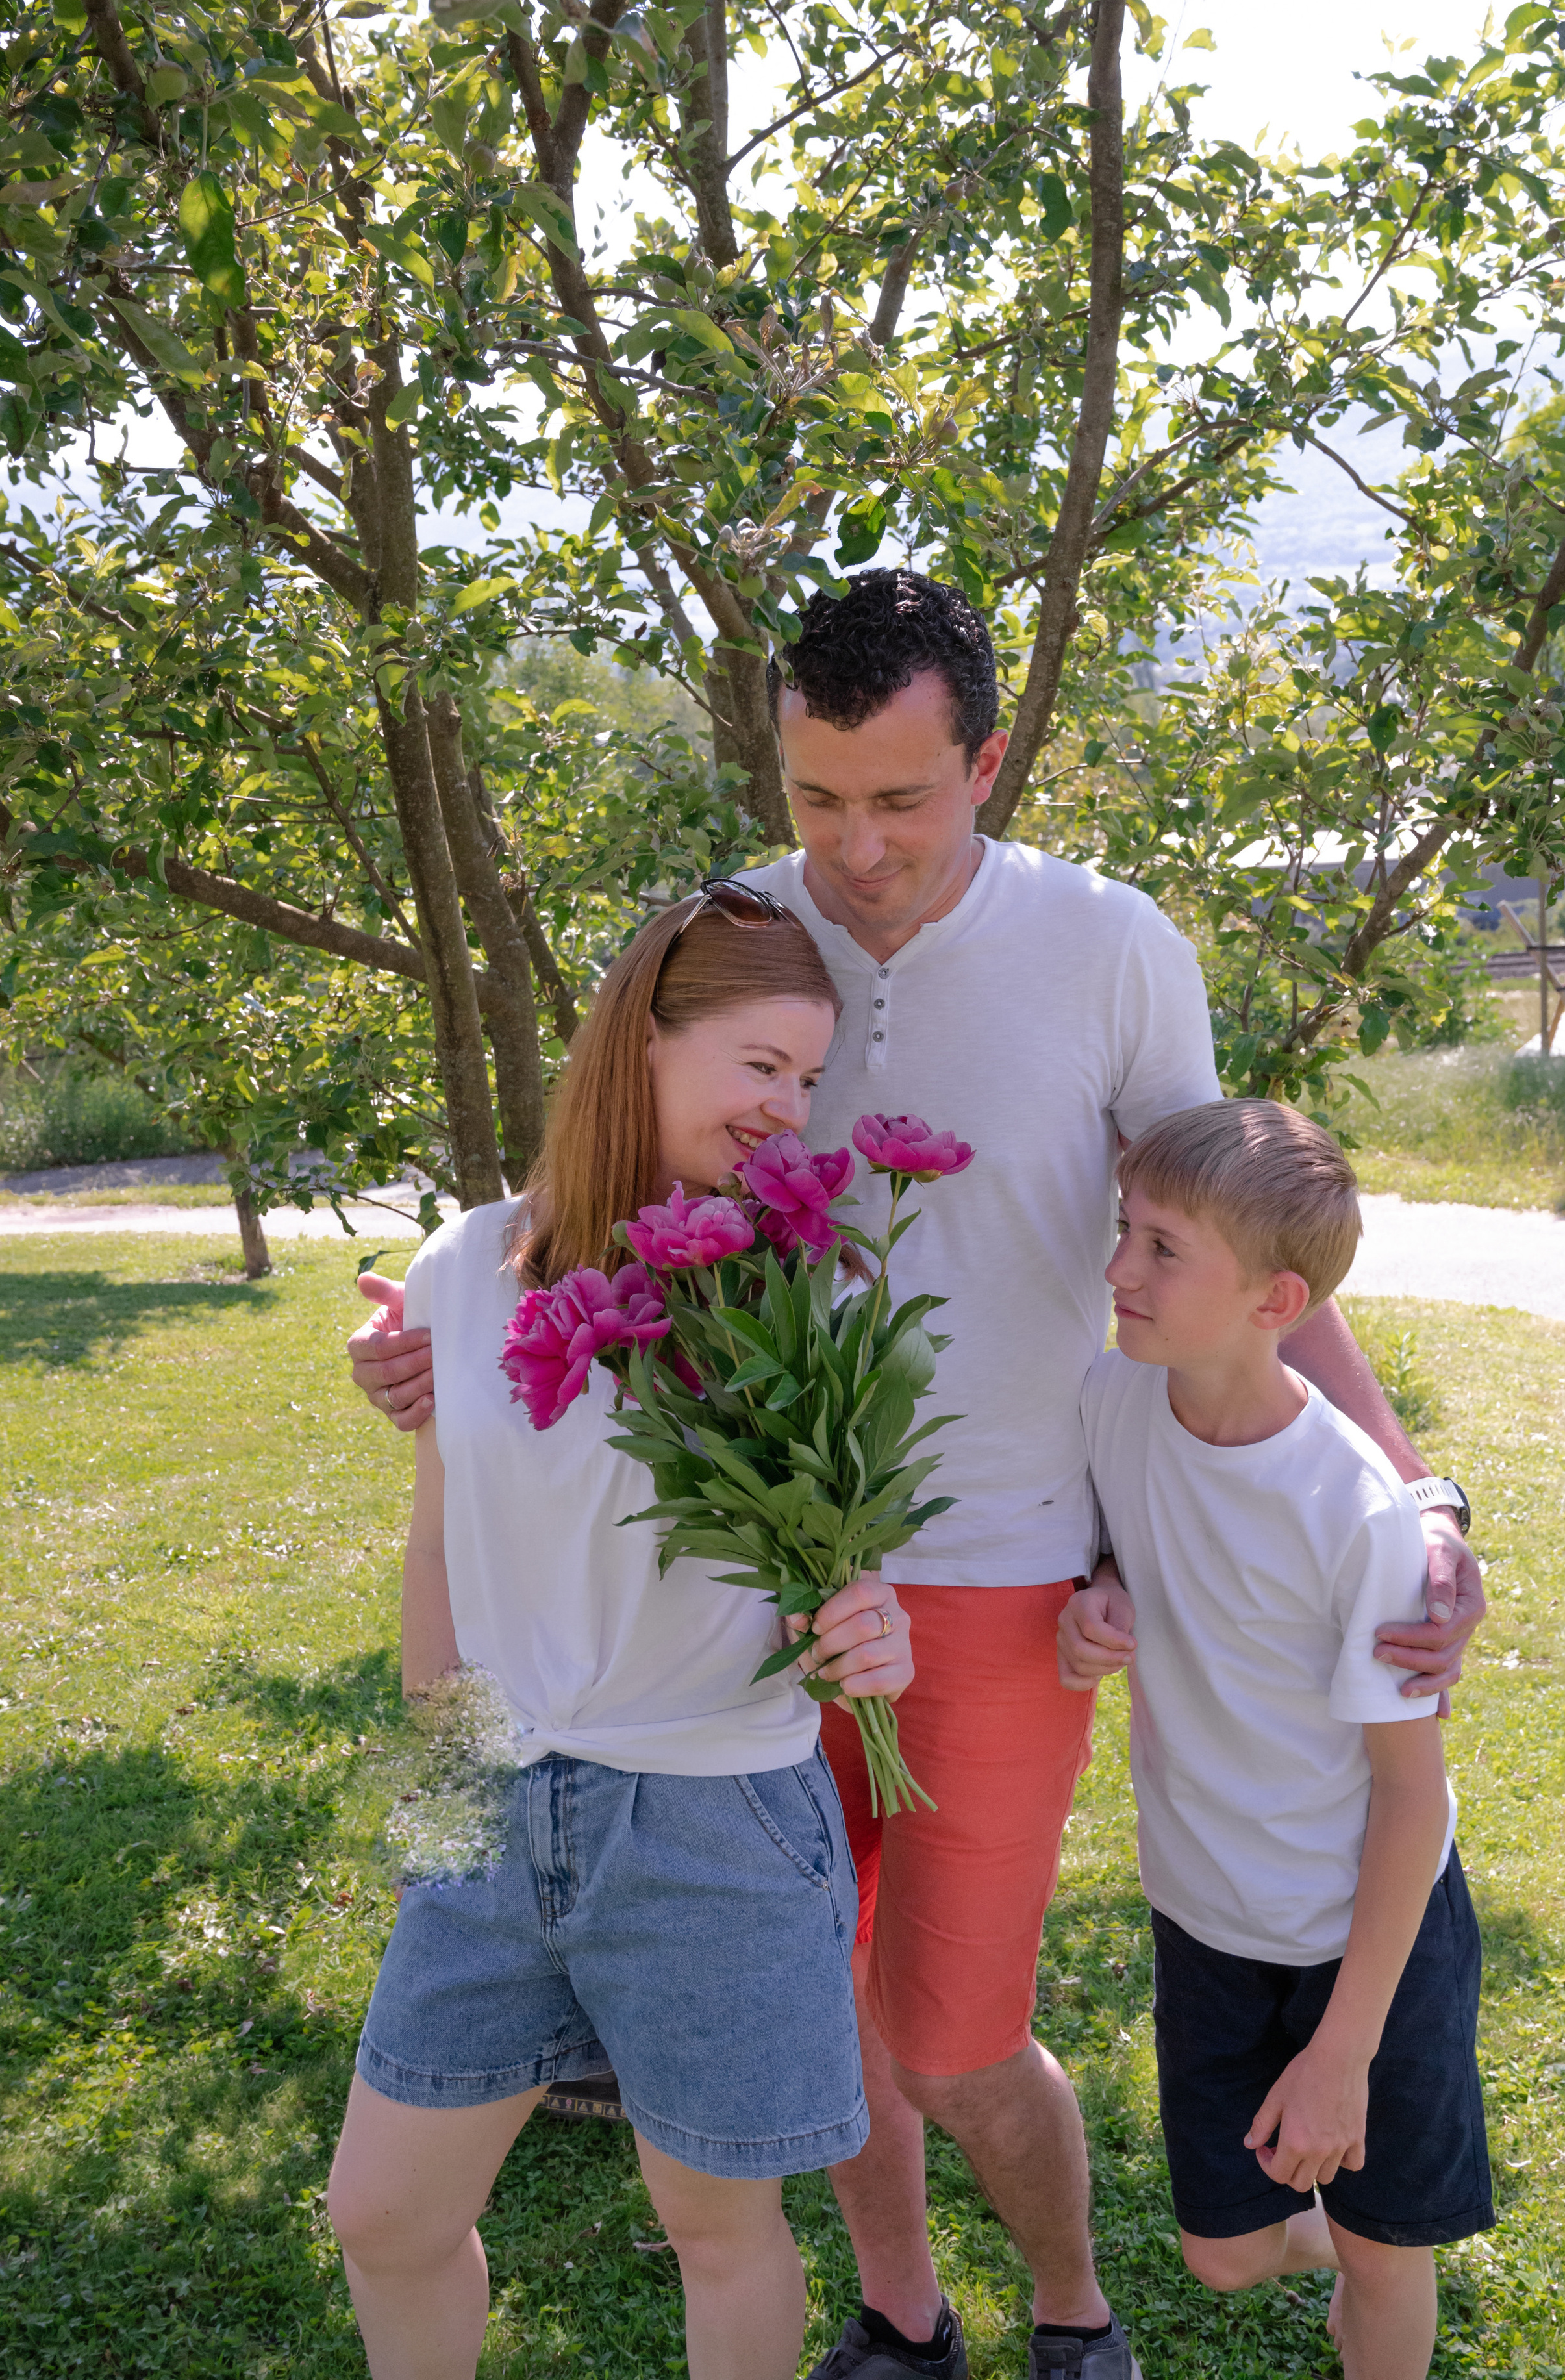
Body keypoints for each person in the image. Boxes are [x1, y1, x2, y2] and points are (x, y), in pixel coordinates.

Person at [349, 571, 1486, 2380]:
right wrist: (438, 1346)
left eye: (901, 799)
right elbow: (586, 1231)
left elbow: (1234, 1243)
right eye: (815, 797)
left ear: (988, 759)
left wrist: (1414, 1496)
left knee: (952, 2033)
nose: (855, 848)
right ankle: (901, 2313)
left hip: (1004, 1574)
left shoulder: (1110, 945)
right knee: (821, 2018)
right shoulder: (736, 945)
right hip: (747, 1589)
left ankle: (1070, 2306)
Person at [327, 890, 917, 2380]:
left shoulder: (804, 1280)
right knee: (382, 2215)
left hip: (714, 1821)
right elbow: (440, 1543)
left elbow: (845, 1557)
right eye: (759, 1064)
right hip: (491, 1794)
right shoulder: (465, 1267)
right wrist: (432, 1793)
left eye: (806, 1077)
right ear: (638, 1040)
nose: (786, 1108)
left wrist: (870, 1625)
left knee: (715, 2227)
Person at [1062, 1100, 1492, 2380]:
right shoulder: (1110, 1399)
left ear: (1276, 1300)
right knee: (1225, 2252)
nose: (1117, 1268)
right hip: (1206, 1919)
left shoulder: (1358, 1514)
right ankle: (1345, 2247)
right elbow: (1111, 1541)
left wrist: (1342, 2053)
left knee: (1384, 2254)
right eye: (1124, 1230)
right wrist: (1095, 1591)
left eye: (1161, 1249)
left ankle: (1372, 2259)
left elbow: (1408, 1800)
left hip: (1368, 1935)